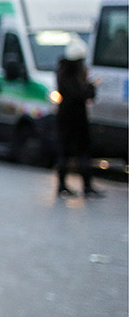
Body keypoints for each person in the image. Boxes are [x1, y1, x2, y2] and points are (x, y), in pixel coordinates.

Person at [55, 35, 103, 198]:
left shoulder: (63, 70)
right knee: (81, 151)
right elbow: (80, 94)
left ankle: (63, 184)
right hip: (75, 117)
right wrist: (91, 87)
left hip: (65, 116)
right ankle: (85, 186)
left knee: (65, 151)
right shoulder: (72, 74)